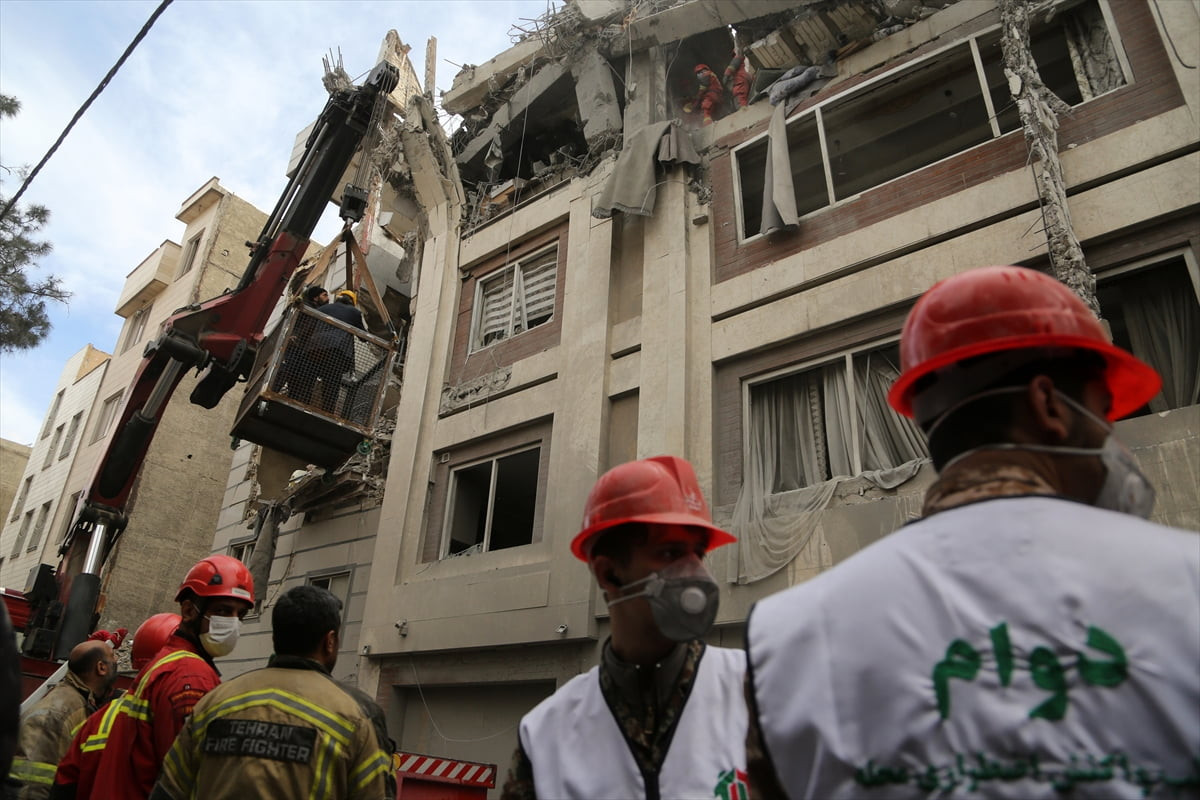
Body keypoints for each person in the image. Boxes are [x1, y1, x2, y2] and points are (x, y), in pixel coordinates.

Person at [745, 265, 1200, 799]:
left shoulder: (787, 637)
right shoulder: (1188, 584)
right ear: (1048, 404)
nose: (1117, 449)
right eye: (1105, 415)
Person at [501, 456, 749, 800]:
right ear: (608, 573)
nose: (694, 574)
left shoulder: (758, 693)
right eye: (670, 553)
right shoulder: (546, 736)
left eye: (698, 554)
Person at [150, 585, 394, 800]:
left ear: (275, 638)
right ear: (330, 641)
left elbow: (169, 791)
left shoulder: (214, 703)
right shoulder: (356, 717)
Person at [81, 556, 253, 800]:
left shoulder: (168, 662)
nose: (232, 623)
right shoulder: (191, 678)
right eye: (223, 611)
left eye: (240, 614)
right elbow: (191, 780)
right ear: (189, 610)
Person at [49, 614, 181, 800]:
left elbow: (66, 783)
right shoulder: (67, 709)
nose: (117, 661)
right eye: (113, 656)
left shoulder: (99, 717)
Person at [8, 641, 117, 798]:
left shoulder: (82, 702)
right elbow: (31, 783)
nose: (116, 661)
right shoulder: (54, 714)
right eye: (113, 656)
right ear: (101, 668)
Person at [307, 289, 366, 415]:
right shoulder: (354, 312)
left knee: (309, 378)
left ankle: (304, 403)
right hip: (337, 352)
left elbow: (309, 326)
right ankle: (327, 412)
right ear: (352, 302)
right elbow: (363, 337)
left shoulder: (324, 309)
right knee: (331, 384)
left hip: (315, 349)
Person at [275, 286, 328, 402]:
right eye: (324, 295)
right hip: (295, 347)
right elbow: (290, 319)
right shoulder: (303, 307)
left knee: (299, 382)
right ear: (315, 298)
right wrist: (291, 335)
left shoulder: (319, 313)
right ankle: (273, 393)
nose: (328, 298)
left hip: (304, 352)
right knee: (284, 372)